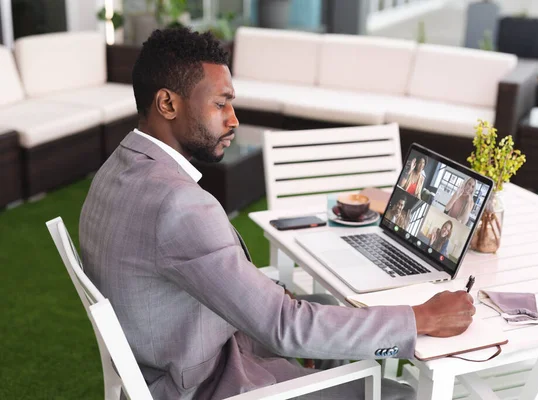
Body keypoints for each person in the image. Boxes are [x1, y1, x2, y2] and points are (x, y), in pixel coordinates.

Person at [79, 28, 475, 400]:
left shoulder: (117, 167)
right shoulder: (178, 204)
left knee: (322, 301)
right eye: (220, 104)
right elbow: (287, 328)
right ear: (168, 103)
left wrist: (264, 296)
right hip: (206, 382)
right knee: (399, 395)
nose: (233, 119)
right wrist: (420, 318)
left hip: (170, 350)